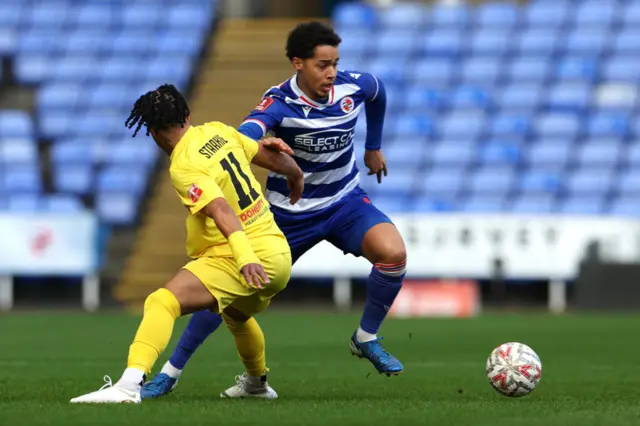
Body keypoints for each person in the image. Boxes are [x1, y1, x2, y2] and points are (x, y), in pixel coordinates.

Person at [142, 20, 407, 400]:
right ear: (298, 63)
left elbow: (378, 93)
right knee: (225, 295)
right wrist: (258, 139)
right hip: (288, 215)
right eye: (322, 65)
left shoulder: (355, 85)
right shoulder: (279, 101)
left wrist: (373, 146)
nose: (331, 73)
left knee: (394, 253)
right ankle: (170, 372)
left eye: (334, 63)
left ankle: (365, 337)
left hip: (344, 202)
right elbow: (250, 130)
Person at [69, 84, 304, 403]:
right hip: (278, 252)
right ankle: (256, 384)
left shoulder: (184, 165)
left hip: (247, 255)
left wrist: (246, 256)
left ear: (151, 131)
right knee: (236, 315)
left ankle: (127, 386)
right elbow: (276, 160)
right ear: (187, 115)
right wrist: (296, 175)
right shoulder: (219, 131)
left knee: (161, 302)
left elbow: (220, 210)